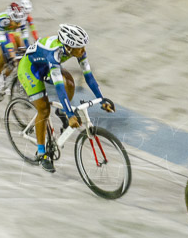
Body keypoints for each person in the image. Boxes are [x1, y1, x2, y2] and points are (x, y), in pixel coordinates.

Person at [17, 24, 115, 172]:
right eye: (80, 47)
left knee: (69, 81)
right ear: (69, 47)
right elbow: (58, 88)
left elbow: (89, 77)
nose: (83, 50)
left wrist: (102, 100)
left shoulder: (76, 50)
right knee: (44, 110)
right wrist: (70, 114)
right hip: (29, 69)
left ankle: (61, 111)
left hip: (46, 65)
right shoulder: (54, 53)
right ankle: (41, 153)